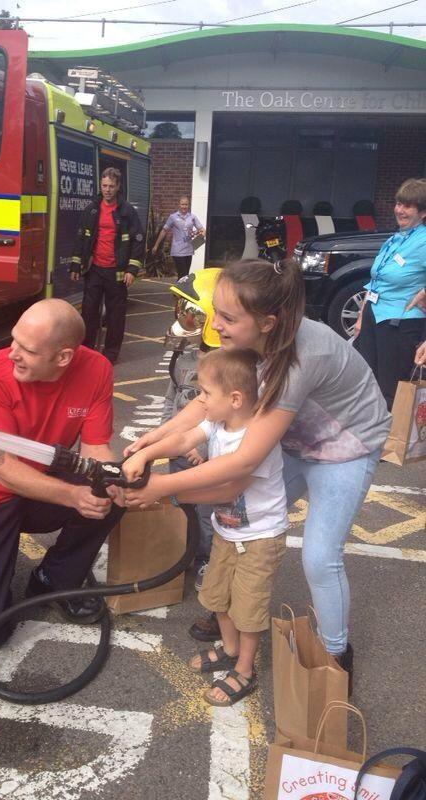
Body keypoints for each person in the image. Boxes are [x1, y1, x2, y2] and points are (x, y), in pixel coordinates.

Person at [123, 258, 391, 690]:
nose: (216, 324)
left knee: (319, 557)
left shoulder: (305, 357)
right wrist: (152, 439)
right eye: (216, 311)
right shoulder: (253, 338)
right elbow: (207, 402)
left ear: (268, 323)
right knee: (239, 517)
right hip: (296, 441)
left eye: (228, 318)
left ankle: (336, 654)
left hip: (346, 449)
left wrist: (162, 486)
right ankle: (229, 618)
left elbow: (244, 462)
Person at [0, 298, 125, 653]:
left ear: (63, 357)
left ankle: (54, 578)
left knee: (111, 494)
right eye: (14, 340)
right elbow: (3, 469)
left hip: (35, 485)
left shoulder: (97, 369)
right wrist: (73, 496)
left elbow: (96, 447)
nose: (12, 353)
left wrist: (109, 482)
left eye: (28, 349)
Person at [125, 348, 288, 707]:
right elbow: (184, 439)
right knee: (218, 597)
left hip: (259, 539)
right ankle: (229, 649)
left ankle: (244, 670)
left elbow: (227, 489)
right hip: (227, 532)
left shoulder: (256, 440)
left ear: (235, 399)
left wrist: (169, 494)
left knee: (248, 610)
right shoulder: (218, 422)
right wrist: (146, 452)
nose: (199, 401)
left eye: (205, 393)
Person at [162, 269, 222, 592]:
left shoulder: (227, 369)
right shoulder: (183, 357)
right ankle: (181, 554)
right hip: (179, 451)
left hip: (207, 458)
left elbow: (227, 422)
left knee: (206, 513)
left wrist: (202, 450)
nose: (182, 316)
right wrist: (164, 435)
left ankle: (204, 559)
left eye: (190, 312)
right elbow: (170, 399)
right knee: (179, 505)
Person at [353, 178, 426, 409]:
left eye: (408, 206)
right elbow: (376, 281)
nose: (399, 210)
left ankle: (395, 430)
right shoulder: (396, 238)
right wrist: (362, 316)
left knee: (392, 389)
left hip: (401, 323)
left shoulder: (423, 240)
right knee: (368, 382)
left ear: (423, 212)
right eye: (398, 203)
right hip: (374, 317)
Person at [70, 167, 145, 364]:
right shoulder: (92, 209)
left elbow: (138, 240)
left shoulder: (127, 211)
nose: (107, 190)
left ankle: (110, 355)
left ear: (118, 186)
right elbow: (81, 237)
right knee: (88, 313)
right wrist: (76, 265)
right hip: (94, 270)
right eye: (104, 185)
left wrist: (132, 269)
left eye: (111, 186)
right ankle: (87, 351)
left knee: (115, 316)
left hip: (117, 273)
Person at [152, 196, 206, 279]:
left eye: (186, 204)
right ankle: (179, 287)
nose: (184, 206)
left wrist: (200, 234)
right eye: (182, 204)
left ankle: (179, 287)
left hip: (188, 250)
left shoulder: (192, 217)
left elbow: (202, 229)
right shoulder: (173, 217)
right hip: (177, 250)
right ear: (179, 205)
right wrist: (156, 245)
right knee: (182, 274)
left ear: (188, 205)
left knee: (185, 275)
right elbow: (164, 231)